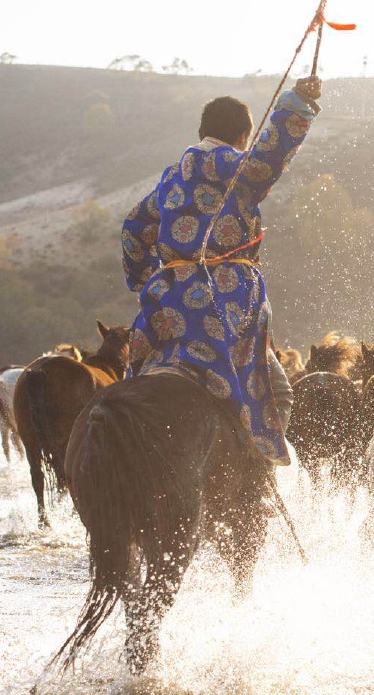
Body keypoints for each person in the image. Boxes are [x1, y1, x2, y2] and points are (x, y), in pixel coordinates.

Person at [120, 77, 322, 465]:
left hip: (168, 306)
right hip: (224, 303)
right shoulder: (228, 163)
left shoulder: (172, 176)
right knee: (277, 393)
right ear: (244, 135)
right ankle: (257, 478)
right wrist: (299, 104)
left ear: (202, 131)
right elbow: (266, 163)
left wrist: (149, 281)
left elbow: (133, 228)